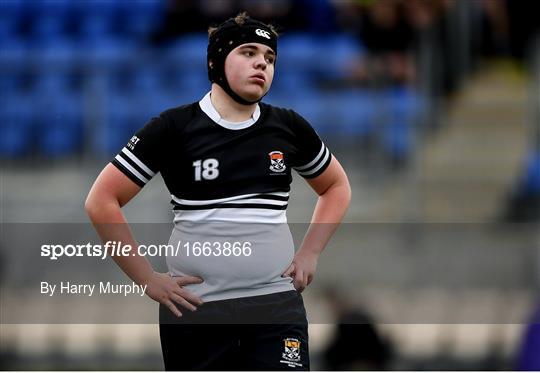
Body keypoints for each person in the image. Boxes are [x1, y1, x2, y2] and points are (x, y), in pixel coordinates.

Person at [85, 12, 351, 371]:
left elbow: (336, 185)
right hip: (197, 311)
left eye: (270, 58)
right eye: (248, 52)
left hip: (275, 306)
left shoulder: (287, 126)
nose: (262, 62)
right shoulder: (173, 127)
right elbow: (101, 201)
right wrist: (146, 278)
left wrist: (310, 252)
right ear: (215, 61)